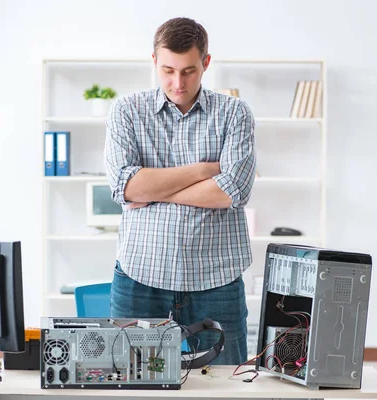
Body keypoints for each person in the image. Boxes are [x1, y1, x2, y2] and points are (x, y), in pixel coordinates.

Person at [104, 17, 256, 365]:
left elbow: (233, 191)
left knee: (224, 387)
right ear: (154, 61)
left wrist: (153, 189)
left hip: (217, 279)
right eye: (168, 70)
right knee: (132, 384)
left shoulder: (234, 113)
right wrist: (203, 170)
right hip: (140, 277)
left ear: (205, 63)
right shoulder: (127, 111)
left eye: (188, 71)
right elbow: (124, 186)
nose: (177, 82)